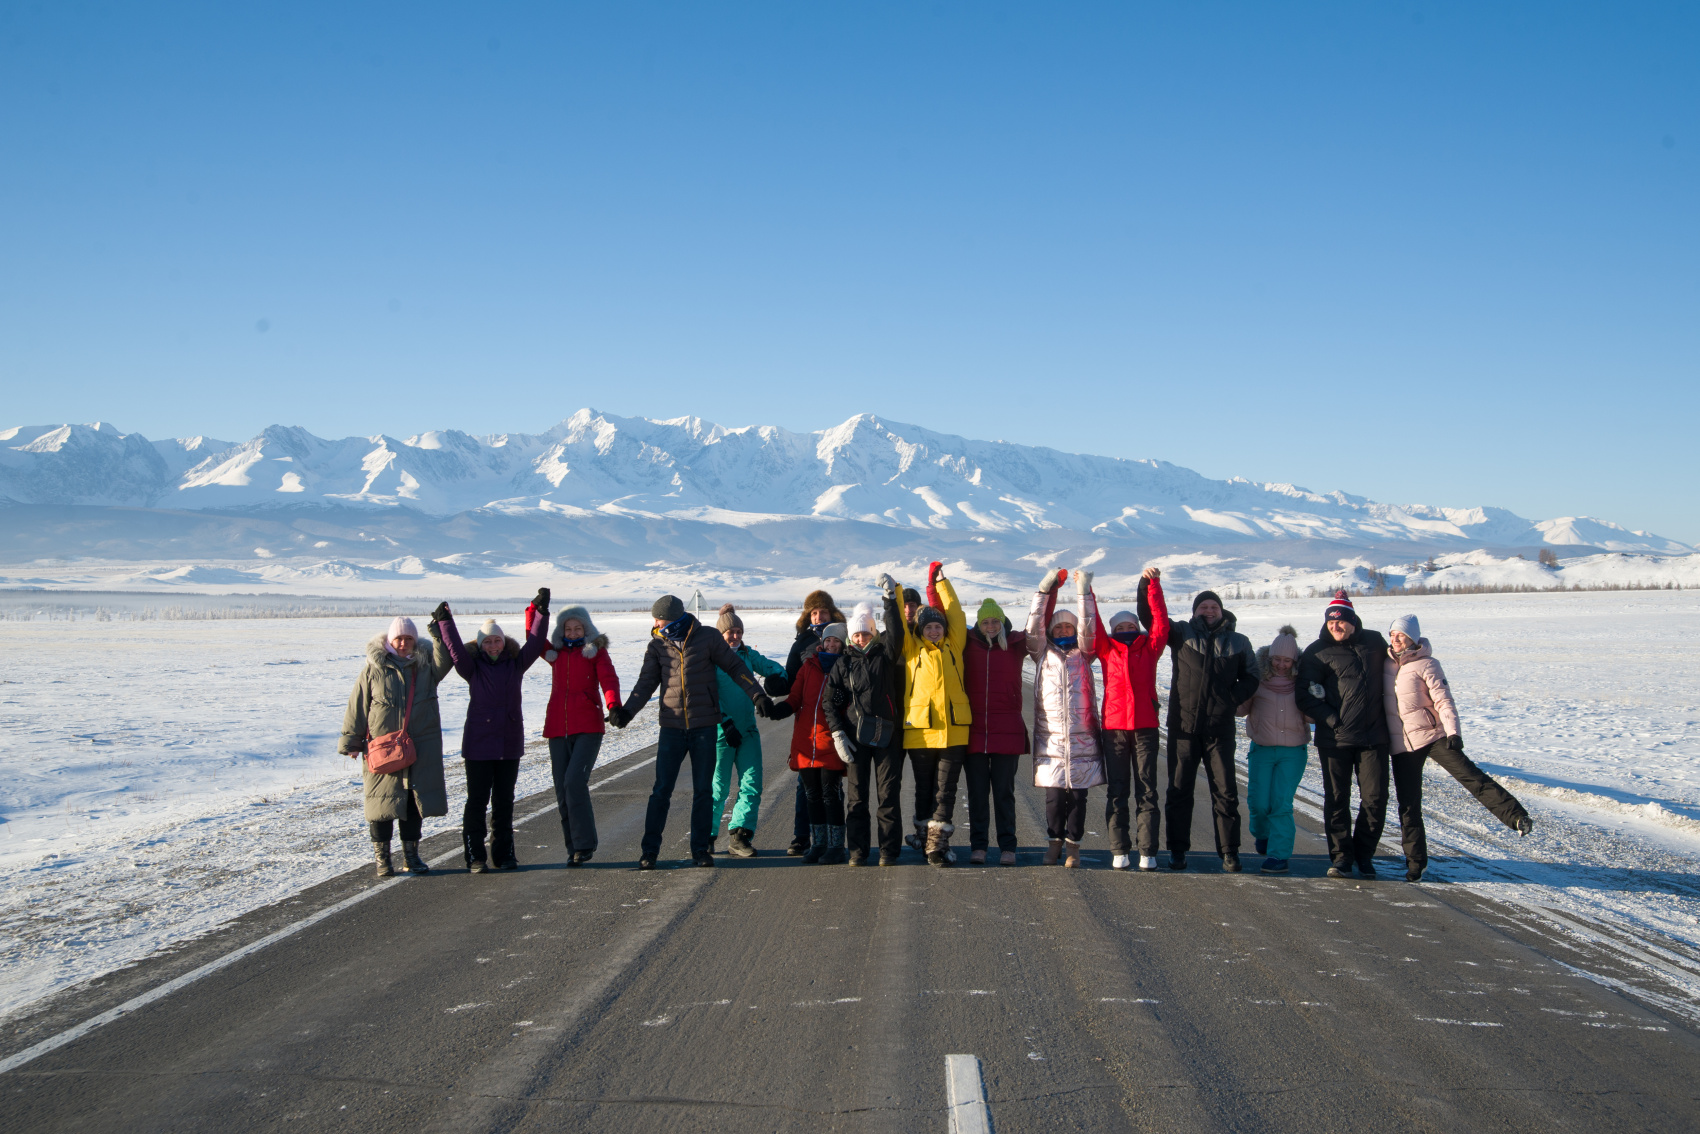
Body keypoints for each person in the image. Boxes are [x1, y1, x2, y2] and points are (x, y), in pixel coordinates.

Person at [610, 594, 777, 869]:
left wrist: (757, 695)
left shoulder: (708, 638)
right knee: (661, 791)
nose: (655, 623)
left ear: (673, 617)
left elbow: (736, 668)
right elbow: (646, 683)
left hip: (704, 728)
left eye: (659, 619)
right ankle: (649, 852)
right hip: (672, 729)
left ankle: (700, 850)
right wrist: (627, 711)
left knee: (703, 791)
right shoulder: (657, 646)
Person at [1384, 614, 1534, 883]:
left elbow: (1444, 700)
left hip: (1432, 735)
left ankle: (1516, 816)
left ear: (1413, 639)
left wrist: (1453, 732)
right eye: (1392, 635)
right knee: (1408, 805)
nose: (1395, 640)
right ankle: (1416, 863)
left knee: (1470, 776)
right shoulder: (1386, 664)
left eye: (1401, 636)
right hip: (1403, 744)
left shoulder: (1427, 664)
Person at [433, 592, 549, 873]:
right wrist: (444, 621)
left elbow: (534, 644)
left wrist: (542, 612)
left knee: (504, 802)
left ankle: (505, 855)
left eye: (497, 640)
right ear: (481, 645)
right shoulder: (472, 669)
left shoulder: (516, 664)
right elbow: (456, 649)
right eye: (488, 641)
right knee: (477, 801)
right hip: (479, 745)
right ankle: (475, 856)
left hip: (509, 743)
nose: (494, 645)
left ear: (504, 641)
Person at [340, 615, 454, 878]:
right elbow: (357, 705)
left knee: (413, 803)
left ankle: (411, 857)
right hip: (382, 748)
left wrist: (438, 632)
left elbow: (446, 660)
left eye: (409, 639)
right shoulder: (373, 669)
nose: (403, 644)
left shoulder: (426, 667)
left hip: (419, 746)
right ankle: (382, 860)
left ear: (415, 641)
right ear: (390, 640)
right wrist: (352, 741)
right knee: (381, 805)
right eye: (399, 639)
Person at [1295, 590, 1391, 880]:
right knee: (1337, 799)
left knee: (1375, 799)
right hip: (1335, 739)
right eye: (1330, 622)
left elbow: (1398, 669)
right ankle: (1341, 858)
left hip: (1374, 737)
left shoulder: (1374, 642)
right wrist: (1332, 719)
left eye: (1340, 622)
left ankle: (1364, 855)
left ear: (1352, 620)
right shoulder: (1316, 651)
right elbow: (1305, 695)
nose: (1335, 626)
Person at [1163, 587, 1258, 872]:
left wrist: (1230, 700)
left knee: (1226, 791)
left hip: (1220, 729)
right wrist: (1148, 587)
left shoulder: (1239, 641)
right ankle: (1177, 850)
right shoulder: (1181, 634)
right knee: (1179, 790)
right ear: (1194, 612)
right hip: (1183, 727)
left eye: (1213, 606)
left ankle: (1229, 851)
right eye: (1203, 606)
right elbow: (1152, 617)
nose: (1209, 610)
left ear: (1221, 610)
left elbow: (1252, 676)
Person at [1092, 566, 1171, 871]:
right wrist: (1087, 592)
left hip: (1146, 727)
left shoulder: (1149, 648)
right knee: (1118, 789)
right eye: (1120, 626)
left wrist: (1153, 586)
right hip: (1114, 729)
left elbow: (1161, 624)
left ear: (1137, 627)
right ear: (1113, 630)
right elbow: (1093, 623)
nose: (1126, 628)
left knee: (1148, 788)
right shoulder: (1106, 649)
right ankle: (1118, 848)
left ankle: (1148, 850)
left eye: (1130, 624)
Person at [1026, 567, 1105, 868]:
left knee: (1079, 798)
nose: (1062, 632)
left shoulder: (1085, 654)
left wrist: (1084, 592)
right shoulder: (1041, 652)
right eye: (1057, 628)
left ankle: (1074, 845)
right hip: (1052, 740)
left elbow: (1090, 626)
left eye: (1067, 628)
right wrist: (1044, 590)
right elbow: (1033, 628)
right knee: (1055, 798)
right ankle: (1054, 842)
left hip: (1082, 737)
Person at [824, 594, 908, 865]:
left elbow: (896, 632)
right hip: (855, 736)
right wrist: (838, 732)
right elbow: (828, 701)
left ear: (873, 632)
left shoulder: (885, 655)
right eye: (856, 634)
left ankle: (888, 851)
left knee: (888, 795)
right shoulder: (843, 663)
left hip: (887, 734)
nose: (861, 639)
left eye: (865, 633)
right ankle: (858, 851)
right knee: (857, 798)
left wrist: (890, 601)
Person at [900, 561, 971, 865]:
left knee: (946, 790)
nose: (933, 630)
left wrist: (941, 583)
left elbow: (956, 613)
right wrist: (895, 594)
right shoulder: (911, 648)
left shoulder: (954, 645)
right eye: (928, 626)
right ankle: (923, 833)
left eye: (937, 626)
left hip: (954, 730)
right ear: (919, 629)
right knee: (924, 789)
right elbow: (896, 623)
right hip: (920, 731)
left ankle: (935, 843)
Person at [541, 604, 620, 866]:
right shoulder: (555, 653)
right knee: (562, 788)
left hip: (588, 725)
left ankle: (585, 844)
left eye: (578, 628)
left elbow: (608, 679)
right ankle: (573, 847)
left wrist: (614, 705)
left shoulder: (595, 652)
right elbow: (533, 635)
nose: (573, 633)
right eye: (568, 628)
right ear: (561, 630)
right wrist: (536, 609)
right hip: (557, 728)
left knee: (574, 781)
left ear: (586, 629)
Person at [713, 603, 789, 858]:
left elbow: (773, 667)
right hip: (721, 732)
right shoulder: (711, 658)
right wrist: (724, 721)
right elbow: (708, 694)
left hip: (747, 730)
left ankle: (740, 835)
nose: (735, 636)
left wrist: (777, 679)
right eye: (730, 632)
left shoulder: (747, 655)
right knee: (718, 787)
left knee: (752, 783)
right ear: (720, 633)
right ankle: (707, 835)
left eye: (738, 631)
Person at [962, 595, 1029, 865]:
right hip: (974, 730)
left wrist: (1047, 591)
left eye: (995, 621)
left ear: (1002, 622)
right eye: (986, 621)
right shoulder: (967, 643)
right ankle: (979, 845)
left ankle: (1007, 847)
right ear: (979, 624)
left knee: (1004, 792)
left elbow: (1040, 623)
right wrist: (935, 584)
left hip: (1006, 730)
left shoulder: (1015, 645)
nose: (990, 626)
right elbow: (946, 616)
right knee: (977, 793)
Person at [1237, 626, 1309, 874]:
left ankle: (1279, 856)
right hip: (1263, 750)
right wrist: (1237, 687)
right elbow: (1240, 709)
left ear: (1295, 660)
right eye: (1277, 659)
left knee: (1281, 803)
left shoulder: (1302, 682)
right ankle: (1262, 834)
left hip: (1293, 752)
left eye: (1287, 660)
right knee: (1257, 803)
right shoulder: (1258, 680)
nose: (1281, 665)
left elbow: (1311, 716)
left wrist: (1317, 695)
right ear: (1269, 657)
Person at [784, 590, 847, 856]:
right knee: (809, 792)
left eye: (823, 611)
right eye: (814, 612)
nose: (818, 616)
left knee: (831, 793)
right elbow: (791, 682)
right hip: (807, 734)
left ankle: (835, 845)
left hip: (833, 734)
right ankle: (809, 838)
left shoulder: (848, 660)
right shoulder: (804, 649)